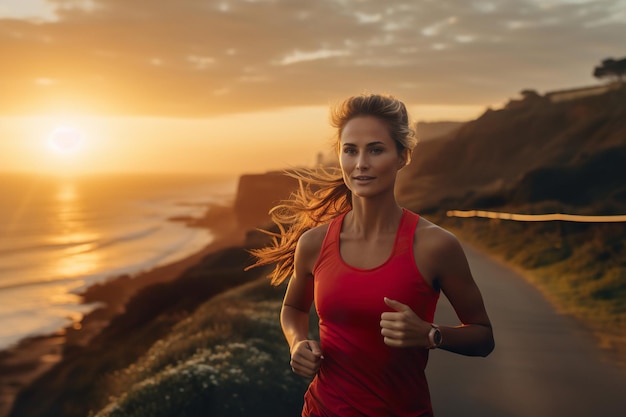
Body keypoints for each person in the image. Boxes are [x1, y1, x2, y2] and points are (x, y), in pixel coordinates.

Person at [248, 93, 495, 416]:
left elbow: (483, 337)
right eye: (350, 150)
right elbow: (293, 307)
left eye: (376, 150)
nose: (361, 163)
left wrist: (431, 334)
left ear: (402, 156)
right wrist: (297, 342)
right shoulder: (314, 243)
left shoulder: (435, 246)